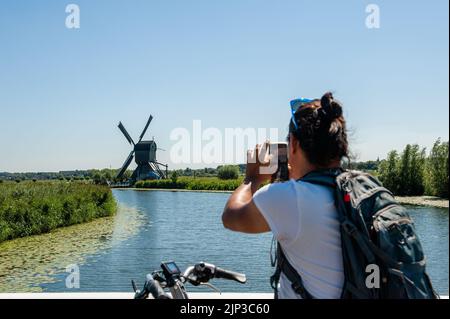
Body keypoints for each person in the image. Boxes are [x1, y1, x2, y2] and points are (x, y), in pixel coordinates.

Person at [221, 92, 349, 299]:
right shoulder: (357, 188)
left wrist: (252, 178)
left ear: (295, 144)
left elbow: (231, 218)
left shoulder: (289, 199)